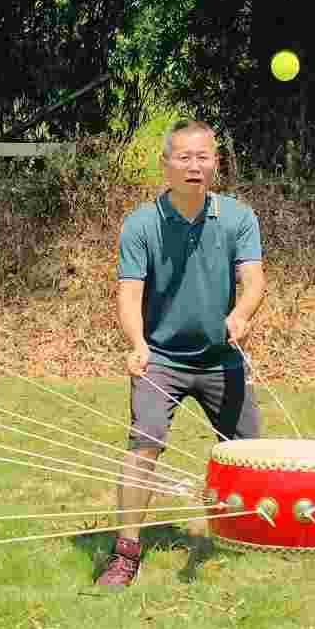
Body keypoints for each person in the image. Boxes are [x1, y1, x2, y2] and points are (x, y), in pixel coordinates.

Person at [98, 120, 266, 588]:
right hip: (162, 360)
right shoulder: (141, 224)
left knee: (251, 453)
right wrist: (137, 344)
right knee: (144, 444)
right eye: (184, 157)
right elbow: (129, 294)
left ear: (216, 162)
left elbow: (253, 281)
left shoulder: (238, 217)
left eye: (203, 157)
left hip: (221, 357)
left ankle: (253, 538)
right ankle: (125, 553)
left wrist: (243, 313)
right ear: (166, 165)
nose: (194, 166)